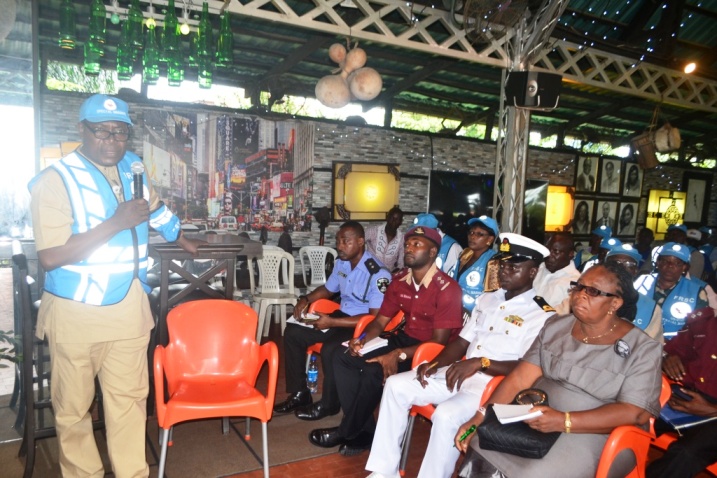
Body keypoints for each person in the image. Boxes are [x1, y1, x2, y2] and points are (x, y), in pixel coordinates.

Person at [28, 94, 202, 477]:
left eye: (120, 131)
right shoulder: (54, 181)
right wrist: (116, 222)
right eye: (102, 131)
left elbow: (154, 208)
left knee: (129, 403)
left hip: (128, 309)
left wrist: (182, 238)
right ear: (82, 131)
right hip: (76, 312)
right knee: (74, 411)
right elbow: (51, 257)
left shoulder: (132, 167)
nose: (112, 139)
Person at [364, 233, 556, 478]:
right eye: (503, 264)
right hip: (460, 371)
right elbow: (461, 342)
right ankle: (384, 471)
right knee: (395, 385)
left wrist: (481, 364)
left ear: (532, 272)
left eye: (514, 266)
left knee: (446, 414)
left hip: (493, 387)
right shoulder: (488, 299)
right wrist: (435, 363)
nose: (505, 271)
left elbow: (524, 368)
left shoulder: (541, 314)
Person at [455, 263, 663, 478]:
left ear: (615, 303)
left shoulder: (642, 348)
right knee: (481, 442)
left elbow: (635, 412)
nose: (580, 295)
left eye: (592, 291)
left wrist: (564, 421)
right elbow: (519, 379)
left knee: (535, 473)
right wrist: (479, 417)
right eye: (579, 287)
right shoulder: (555, 326)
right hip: (533, 415)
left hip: (595, 432)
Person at [308, 225, 463, 456]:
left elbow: (438, 343)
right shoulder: (400, 280)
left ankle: (347, 430)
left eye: (417, 245)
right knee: (343, 357)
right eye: (408, 244)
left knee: (372, 371)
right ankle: (364, 431)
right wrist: (361, 340)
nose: (409, 248)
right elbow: (380, 321)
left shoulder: (447, 289)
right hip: (402, 339)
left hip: (430, 354)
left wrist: (397, 355)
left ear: (432, 253)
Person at [273, 221, 391, 420]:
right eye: (338, 241)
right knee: (293, 333)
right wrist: (306, 299)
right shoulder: (342, 263)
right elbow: (328, 289)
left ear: (361, 242)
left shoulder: (378, 274)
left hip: (360, 325)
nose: (340, 246)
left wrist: (332, 323)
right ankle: (300, 393)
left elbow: (375, 318)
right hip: (339, 316)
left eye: (346, 241)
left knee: (329, 349)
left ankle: (330, 404)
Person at [646, 307, 717, 478]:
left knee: (686, 453)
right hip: (685, 396)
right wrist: (667, 358)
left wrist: (713, 409)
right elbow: (672, 350)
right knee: (633, 417)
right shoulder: (705, 324)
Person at [634, 242, 709, 341]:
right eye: (665, 261)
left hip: (674, 346)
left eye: (677, 263)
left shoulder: (696, 291)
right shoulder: (641, 281)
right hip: (637, 339)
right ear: (658, 263)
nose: (670, 266)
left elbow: (699, 328)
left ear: (684, 267)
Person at [605, 244, 663, 340]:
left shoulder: (650, 307)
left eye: (628, 264)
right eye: (615, 263)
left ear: (636, 270)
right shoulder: (589, 297)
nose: (621, 268)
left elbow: (653, 348)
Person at [453, 216, 499, 316]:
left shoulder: (493, 262)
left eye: (480, 234)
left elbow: (493, 298)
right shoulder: (465, 254)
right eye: (471, 232)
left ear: (490, 239)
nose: (472, 237)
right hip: (454, 310)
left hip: (476, 315)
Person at [533, 232, 580, 315]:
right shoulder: (538, 268)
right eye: (548, 250)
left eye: (556, 252)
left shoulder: (575, 282)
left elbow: (564, 317)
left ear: (570, 254)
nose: (549, 256)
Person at [365, 206, 405, 271]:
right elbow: (358, 243)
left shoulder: (401, 238)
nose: (394, 221)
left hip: (388, 275)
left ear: (401, 222)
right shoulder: (373, 231)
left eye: (397, 219)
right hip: (370, 272)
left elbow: (401, 262)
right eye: (392, 218)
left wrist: (397, 271)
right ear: (387, 217)